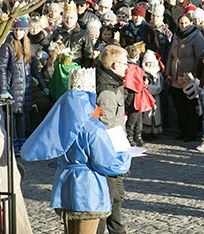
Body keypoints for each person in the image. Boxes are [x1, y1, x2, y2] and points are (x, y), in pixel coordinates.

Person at [21, 79, 131, 234]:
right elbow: (106, 162)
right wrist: (125, 157)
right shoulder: (92, 128)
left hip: (65, 185)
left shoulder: (60, 125)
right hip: (88, 188)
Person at [94, 45, 131, 234]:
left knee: (117, 196)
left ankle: (117, 230)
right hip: (108, 153)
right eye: (125, 64)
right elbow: (107, 127)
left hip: (115, 150)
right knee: (107, 198)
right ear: (115, 65)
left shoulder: (113, 82)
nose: (127, 67)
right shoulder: (106, 90)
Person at [0, 18, 48, 153]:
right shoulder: (7, 46)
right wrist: (3, 89)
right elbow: (2, 68)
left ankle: (22, 145)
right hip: (12, 87)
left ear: (25, 32)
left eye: (21, 30)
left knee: (22, 116)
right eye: (16, 30)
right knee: (12, 118)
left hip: (25, 89)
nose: (18, 33)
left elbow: (34, 70)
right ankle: (12, 145)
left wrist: (42, 85)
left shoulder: (29, 47)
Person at [166, 14, 204, 142]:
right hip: (176, 76)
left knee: (191, 107)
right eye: (181, 23)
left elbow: (201, 58)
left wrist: (196, 76)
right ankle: (182, 131)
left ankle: (191, 132)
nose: (183, 25)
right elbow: (171, 56)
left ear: (191, 23)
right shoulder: (176, 36)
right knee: (180, 106)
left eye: (186, 23)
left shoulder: (196, 36)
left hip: (189, 78)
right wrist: (168, 73)